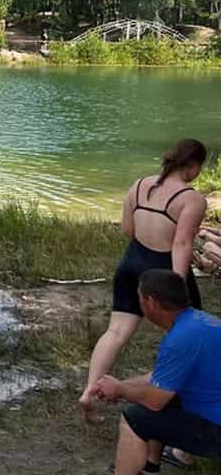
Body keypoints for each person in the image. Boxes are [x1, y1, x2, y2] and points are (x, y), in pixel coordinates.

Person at [79, 139, 209, 412]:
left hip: (132, 262)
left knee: (115, 332)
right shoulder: (192, 199)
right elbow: (182, 244)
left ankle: (90, 391)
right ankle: (181, 398)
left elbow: (128, 230)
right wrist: (178, 282)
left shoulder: (138, 185)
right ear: (194, 166)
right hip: (164, 269)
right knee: (191, 334)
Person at [93, 269, 221, 474]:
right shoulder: (199, 321)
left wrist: (120, 390)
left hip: (215, 431)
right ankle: (149, 467)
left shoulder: (180, 339)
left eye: (139, 297)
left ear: (151, 302)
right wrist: (120, 385)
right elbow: (161, 378)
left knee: (135, 418)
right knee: (164, 397)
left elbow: (154, 400)